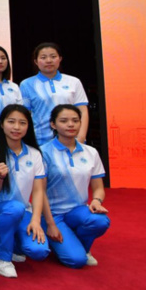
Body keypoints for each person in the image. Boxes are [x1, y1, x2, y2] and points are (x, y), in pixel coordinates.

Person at [0, 104, 50, 278]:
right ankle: (1, 257)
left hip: (22, 211)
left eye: (22, 123)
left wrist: (35, 220)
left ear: (28, 126)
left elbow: (38, 191)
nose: (16, 127)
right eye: (11, 122)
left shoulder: (34, 154)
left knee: (39, 251)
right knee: (14, 208)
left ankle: (15, 246)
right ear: (2, 124)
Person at [41, 105, 109, 268]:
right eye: (64, 121)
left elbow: (98, 187)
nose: (70, 124)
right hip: (52, 214)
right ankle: (60, 240)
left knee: (100, 221)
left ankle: (78, 246)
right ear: (53, 124)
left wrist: (97, 201)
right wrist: (50, 224)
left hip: (78, 211)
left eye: (75, 120)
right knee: (76, 261)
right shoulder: (43, 152)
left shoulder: (90, 152)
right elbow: (39, 192)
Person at [20, 43, 89, 144]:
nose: (49, 60)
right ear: (36, 61)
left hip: (71, 140)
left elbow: (83, 111)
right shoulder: (26, 84)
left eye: (53, 56)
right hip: (40, 141)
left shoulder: (73, 81)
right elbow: (24, 115)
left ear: (60, 59)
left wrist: (81, 138)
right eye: (43, 57)